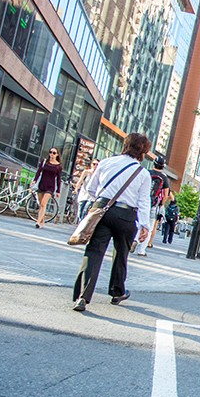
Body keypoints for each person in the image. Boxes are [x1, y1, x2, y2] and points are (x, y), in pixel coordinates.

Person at [72, 133, 152, 312]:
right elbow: (143, 201)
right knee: (121, 253)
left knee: (94, 250)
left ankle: (82, 297)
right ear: (143, 151)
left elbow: (91, 189)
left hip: (103, 209)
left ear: (126, 145)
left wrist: (102, 200)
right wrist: (144, 225)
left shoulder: (106, 162)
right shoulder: (142, 173)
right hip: (126, 215)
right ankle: (117, 292)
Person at [135, 156, 169, 256]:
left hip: (141, 203)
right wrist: (161, 204)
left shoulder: (146, 172)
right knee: (149, 227)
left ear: (154, 163)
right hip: (154, 204)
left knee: (138, 223)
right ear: (163, 166)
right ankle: (141, 250)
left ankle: (135, 240)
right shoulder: (164, 177)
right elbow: (166, 195)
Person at [31, 147, 63, 228]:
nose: (52, 154)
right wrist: (34, 180)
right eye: (51, 152)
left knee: (43, 203)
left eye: (54, 153)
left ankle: (38, 222)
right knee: (41, 204)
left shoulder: (58, 166)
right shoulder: (44, 161)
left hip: (50, 187)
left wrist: (58, 191)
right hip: (42, 184)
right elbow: (39, 171)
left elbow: (59, 179)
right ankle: (42, 222)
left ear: (57, 155)